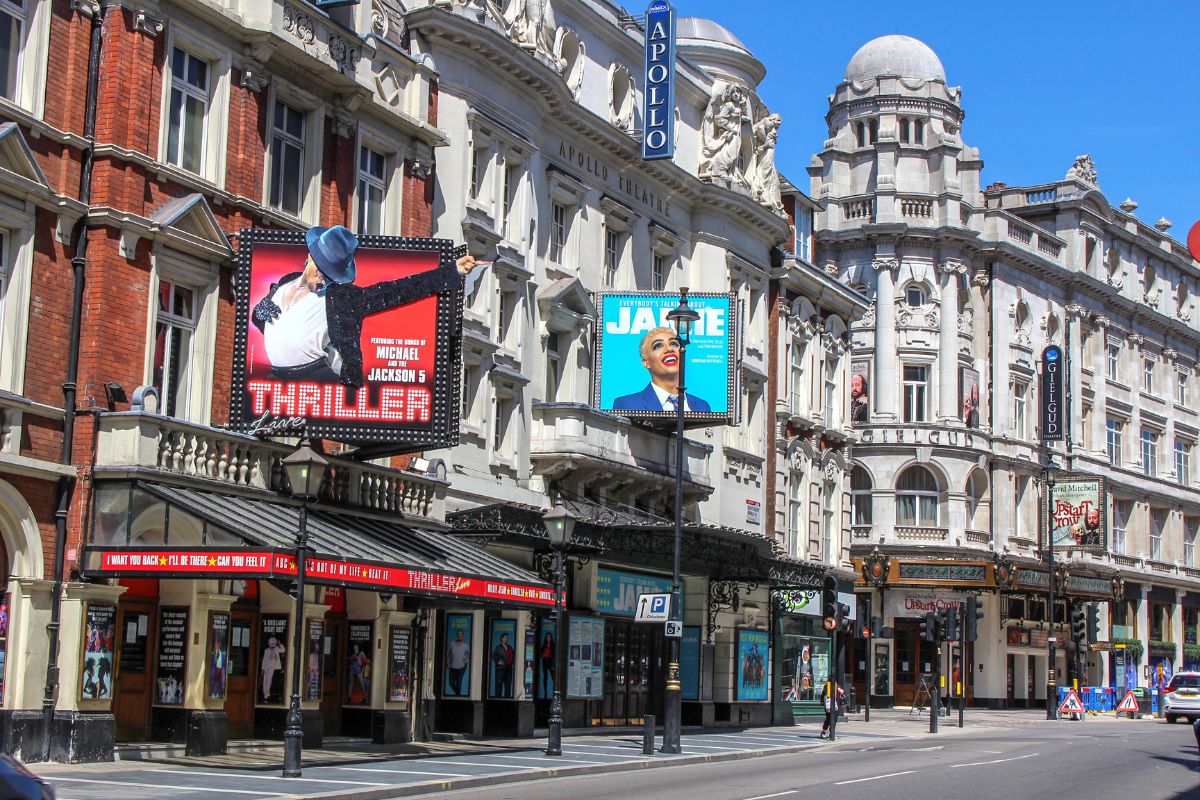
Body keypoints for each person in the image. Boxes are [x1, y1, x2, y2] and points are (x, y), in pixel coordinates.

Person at [252, 225, 487, 389]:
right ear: (311, 257)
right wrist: (259, 312)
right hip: (276, 381)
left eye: (330, 275)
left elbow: (398, 290)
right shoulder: (284, 282)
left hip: (315, 378)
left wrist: (451, 271)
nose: (324, 279)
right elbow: (267, 321)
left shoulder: (342, 297)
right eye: (322, 271)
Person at [612, 327, 712, 412]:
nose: (669, 349)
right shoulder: (627, 405)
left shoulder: (702, 406)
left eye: (674, 344)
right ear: (646, 362)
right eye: (658, 346)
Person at [446, 628, 470, 696]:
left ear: (463, 636)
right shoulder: (452, 643)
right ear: (457, 635)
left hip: (462, 667)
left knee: (459, 684)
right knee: (451, 683)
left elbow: (472, 654)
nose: (459, 635)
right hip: (453, 667)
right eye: (458, 634)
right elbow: (447, 653)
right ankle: (458, 695)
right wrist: (447, 663)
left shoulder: (465, 645)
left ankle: (458, 696)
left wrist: (467, 660)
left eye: (461, 634)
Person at [261, 635, 285, 702]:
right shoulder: (266, 650)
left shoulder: (277, 648)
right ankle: (265, 693)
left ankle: (266, 694)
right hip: (266, 667)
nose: (272, 646)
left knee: (269, 680)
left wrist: (280, 644)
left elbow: (283, 650)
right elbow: (264, 660)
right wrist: (263, 668)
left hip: (273, 667)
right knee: (265, 680)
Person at [491, 632, 515, 698]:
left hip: (509, 669)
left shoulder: (510, 647)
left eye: (507, 638)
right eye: (505, 638)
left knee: (508, 686)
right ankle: (498, 701)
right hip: (501, 669)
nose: (506, 639)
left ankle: (507, 700)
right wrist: (498, 661)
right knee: (499, 686)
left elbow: (514, 656)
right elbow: (493, 655)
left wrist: (512, 663)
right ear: (501, 639)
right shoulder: (498, 647)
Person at [539, 632, 555, 698]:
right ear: (546, 638)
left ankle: (554, 692)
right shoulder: (543, 645)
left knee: (553, 677)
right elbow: (540, 655)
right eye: (547, 637)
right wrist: (542, 655)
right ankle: (545, 694)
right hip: (544, 661)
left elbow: (554, 655)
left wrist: (553, 665)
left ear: (551, 638)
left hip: (550, 661)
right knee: (545, 677)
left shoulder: (553, 645)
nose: (548, 638)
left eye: (549, 637)